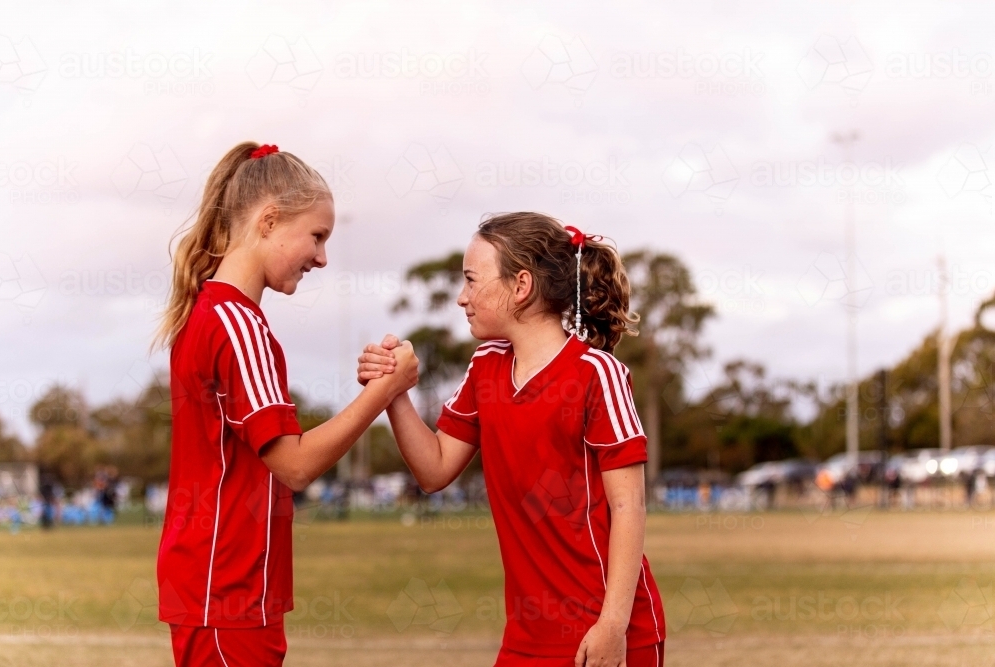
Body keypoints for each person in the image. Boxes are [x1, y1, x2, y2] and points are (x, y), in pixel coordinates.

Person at [151, 142, 418, 667]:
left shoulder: (214, 314)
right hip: (226, 588)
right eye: (317, 237)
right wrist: (383, 391)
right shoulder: (237, 324)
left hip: (225, 590)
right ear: (269, 221)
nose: (322, 257)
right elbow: (294, 464)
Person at [359, 213, 666, 667]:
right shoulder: (487, 365)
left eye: (470, 280)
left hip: (606, 630)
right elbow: (435, 468)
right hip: (526, 636)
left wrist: (612, 625)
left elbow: (629, 507)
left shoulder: (596, 374)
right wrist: (392, 391)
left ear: (520, 286)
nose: (461, 298)